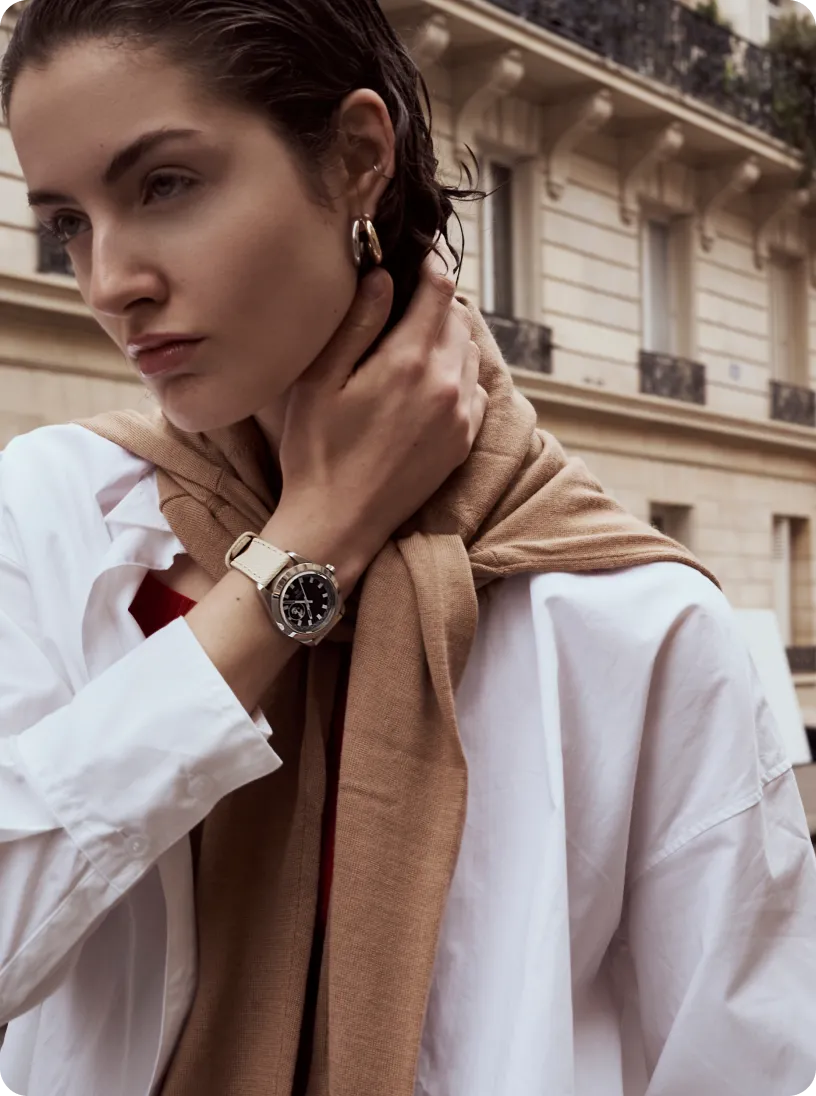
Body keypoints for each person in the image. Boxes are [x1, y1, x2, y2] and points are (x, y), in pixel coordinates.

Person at [0, 0, 815, 1094]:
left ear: (355, 157)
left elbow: (737, 1066)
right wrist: (304, 552)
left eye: (165, 185)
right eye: (68, 224)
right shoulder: (57, 516)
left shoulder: (634, 619)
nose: (109, 281)